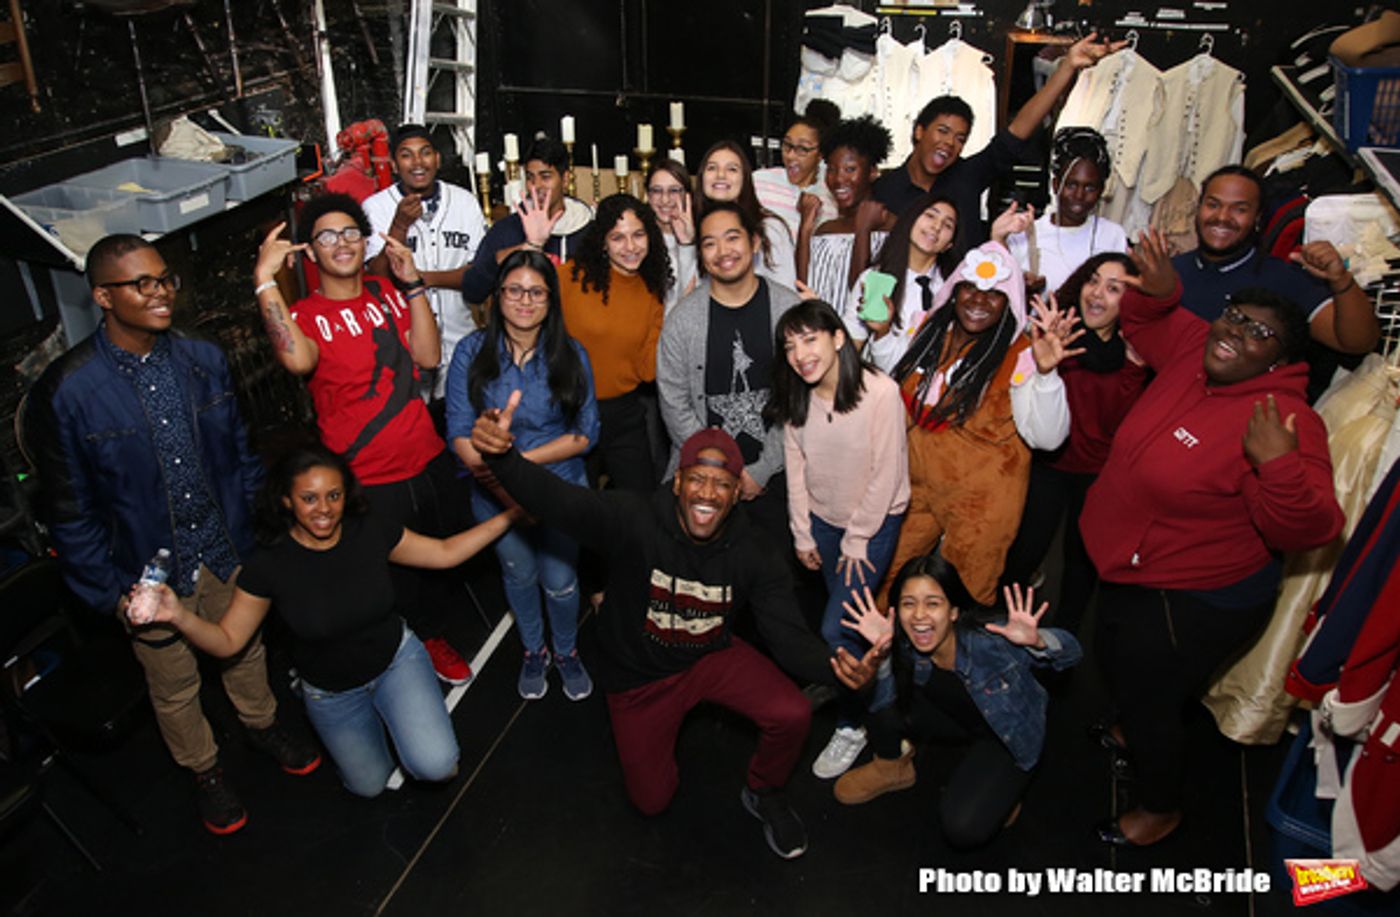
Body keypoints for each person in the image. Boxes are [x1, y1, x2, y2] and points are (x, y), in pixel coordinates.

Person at [469, 414, 887, 860]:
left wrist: (842, 671)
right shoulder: (634, 518)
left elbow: (788, 639)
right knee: (652, 800)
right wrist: (504, 458)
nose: (707, 493)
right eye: (698, 479)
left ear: (736, 493)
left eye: (722, 484)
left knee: (792, 712)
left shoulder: (755, 552)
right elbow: (560, 502)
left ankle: (764, 791)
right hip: (639, 677)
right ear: (678, 483)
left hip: (709, 655)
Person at [27, 234, 320, 835]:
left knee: (245, 649)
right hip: (147, 572)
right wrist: (111, 593)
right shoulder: (69, 390)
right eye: (142, 284)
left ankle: (261, 724)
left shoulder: (202, 357)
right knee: (174, 684)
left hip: (224, 546)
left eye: (165, 279)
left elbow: (241, 453)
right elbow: (71, 511)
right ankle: (204, 770)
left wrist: (255, 532)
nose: (161, 293)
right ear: (103, 297)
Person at [1080, 230, 1345, 846]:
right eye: (1234, 317)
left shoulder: (1285, 420)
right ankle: (1130, 728)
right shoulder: (1199, 345)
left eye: (1259, 333)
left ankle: (1160, 808)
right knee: (1117, 662)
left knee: (1152, 700)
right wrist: (1160, 294)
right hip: (1129, 563)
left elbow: (1314, 527)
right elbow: (1144, 324)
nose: (1235, 332)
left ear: (1281, 357)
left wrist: (1278, 467)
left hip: (1193, 594)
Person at [131, 446, 518, 798]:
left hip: (396, 663)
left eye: (334, 496)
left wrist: (511, 514)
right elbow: (228, 641)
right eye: (309, 498)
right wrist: (178, 616)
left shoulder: (370, 529)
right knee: (369, 785)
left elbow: (445, 552)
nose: (324, 509)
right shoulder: (269, 565)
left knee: (437, 766)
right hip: (332, 694)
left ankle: (410, 724)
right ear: (287, 500)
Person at [253, 194, 475, 686]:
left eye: (350, 232)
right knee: (391, 575)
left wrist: (412, 283)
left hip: (426, 456)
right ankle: (416, 644)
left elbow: (429, 356)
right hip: (367, 476)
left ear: (365, 240)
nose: (341, 243)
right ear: (311, 252)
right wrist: (265, 280)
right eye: (327, 236)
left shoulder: (386, 292)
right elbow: (297, 360)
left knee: (439, 555)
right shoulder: (306, 315)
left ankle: (431, 632)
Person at [835, 558, 1081, 849]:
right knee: (874, 686)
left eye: (933, 603)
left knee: (962, 827)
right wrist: (881, 660)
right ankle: (892, 767)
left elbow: (1072, 653)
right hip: (955, 718)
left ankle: (1004, 794)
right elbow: (883, 705)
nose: (919, 615)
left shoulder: (993, 640)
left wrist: (1038, 641)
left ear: (953, 611)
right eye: (908, 604)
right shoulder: (906, 642)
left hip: (1005, 733)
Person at [883, 241, 1076, 607]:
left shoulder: (1020, 355)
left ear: (1010, 303)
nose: (979, 300)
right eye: (970, 287)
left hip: (981, 503)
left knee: (964, 595)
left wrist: (1046, 374)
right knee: (890, 581)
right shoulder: (927, 332)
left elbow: (1048, 439)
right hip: (915, 487)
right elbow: (894, 387)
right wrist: (880, 336)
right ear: (954, 291)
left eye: (994, 294)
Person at [764, 299, 908, 779]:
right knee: (846, 623)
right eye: (790, 346)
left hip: (873, 524)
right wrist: (802, 531)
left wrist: (857, 538)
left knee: (834, 629)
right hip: (823, 523)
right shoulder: (797, 395)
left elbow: (886, 475)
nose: (800, 355)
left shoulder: (880, 392)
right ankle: (866, 682)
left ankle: (854, 722)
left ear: (839, 337)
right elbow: (796, 466)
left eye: (810, 339)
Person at [447, 250, 600, 700]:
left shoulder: (571, 354)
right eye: (514, 290)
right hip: (492, 494)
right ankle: (535, 651)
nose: (525, 301)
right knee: (518, 575)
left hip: (560, 491)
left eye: (536, 292)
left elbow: (585, 434)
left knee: (561, 581)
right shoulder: (471, 352)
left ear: (551, 301)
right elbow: (459, 433)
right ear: (497, 296)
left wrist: (515, 464)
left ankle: (567, 651)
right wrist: (501, 477)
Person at [1001, 254, 1149, 635]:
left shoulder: (1135, 352)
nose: (1097, 293)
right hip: (1048, 465)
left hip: (1098, 475)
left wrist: (1134, 369)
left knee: (1082, 562)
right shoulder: (1057, 334)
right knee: (1023, 553)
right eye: (1093, 281)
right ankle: (1002, 629)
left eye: (1113, 288)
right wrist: (1041, 357)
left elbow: (1122, 427)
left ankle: (1064, 641)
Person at [866, 33, 1127, 243]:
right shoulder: (883, 189)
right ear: (919, 131)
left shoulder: (967, 176)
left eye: (960, 138)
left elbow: (1017, 132)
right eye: (943, 131)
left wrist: (1067, 67)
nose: (949, 142)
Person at [657, 202, 803, 545]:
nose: (723, 251)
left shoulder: (788, 309)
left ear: (755, 241)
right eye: (710, 243)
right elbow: (674, 401)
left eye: (732, 238)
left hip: (778, 474)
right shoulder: (682, 320)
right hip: (702, 481)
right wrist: (717, 473)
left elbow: (799, 399)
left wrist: (761, 470)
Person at [1172, 165, 1379, 362]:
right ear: (1199, 208)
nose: (1222, 217)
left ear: (1258, 218)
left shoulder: (1284, 279)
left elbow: (1357, 343)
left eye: (1240, 209)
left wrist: (1341, 280)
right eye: (1213, 205)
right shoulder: (1171, 270)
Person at [363, 123, 489, 414]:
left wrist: (421, 279)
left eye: (425, 153)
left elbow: (479, 274)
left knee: (463, 424)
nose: (418, 162)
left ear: (438, 158)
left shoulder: (465, 202)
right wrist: (400, 225)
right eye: (406, 155)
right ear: (394, 164)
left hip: (460, 342)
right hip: (403, 348)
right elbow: (375, 279)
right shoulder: (375, 208)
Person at [560, 194, 669, 492]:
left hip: (625, 416)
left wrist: (672, 319)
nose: (630, 247)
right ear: (603, 242)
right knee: (575, 510)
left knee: (641, 507)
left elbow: (647, 371)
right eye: (618, 237)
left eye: (638, 235)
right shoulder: (569, 278)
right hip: (571, 413)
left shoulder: (651, 290)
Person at [461, 137, 594, 304]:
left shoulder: (589, 230)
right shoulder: (507, 229)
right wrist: (523, 249)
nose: (536, 186)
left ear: (565, 179)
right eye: (530, 178)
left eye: (545, 177)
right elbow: (472, 292)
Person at [845, 192, 961, 373]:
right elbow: (851, 346)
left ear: (949, 244)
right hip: (881, 383)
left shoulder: (954, 290)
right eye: (930, 216)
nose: (936, 226)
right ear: (910, 221)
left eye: (947, 225)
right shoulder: (875, 279)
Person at [1005, 127, 1128, 295]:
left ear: (1101, 190)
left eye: (1089, 188)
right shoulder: (1024, 236)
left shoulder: (1112, 235)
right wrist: (1026, 290)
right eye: (1071, 185)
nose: (1079, 195)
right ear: (1056, 185)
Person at [795, 115, 894, 315]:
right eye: (832, 169)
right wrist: (805, 229)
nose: (839, 179)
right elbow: (804, 287)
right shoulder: (826, 228)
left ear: (872, 172)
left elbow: (864, 297)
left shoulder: (892, 226)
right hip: (820, 330)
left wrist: (863, 229)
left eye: (850, 169)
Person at [696, 140, 797, 289]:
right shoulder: (693, 228)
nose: (721, 175)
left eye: (732, 169)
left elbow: (785, 290)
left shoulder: (770, 228)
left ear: (745, 178)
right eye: (712, 168)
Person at [753, 100, 841, 242]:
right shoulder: (760, 181)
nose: (790, 155)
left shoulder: (829, 202)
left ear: (820, 154)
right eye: (787, 145)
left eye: (802, 149)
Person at [645, 160, 700, 314]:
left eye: (674, 190)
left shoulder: (705, 237)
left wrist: (687, 244)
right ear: (648, 196)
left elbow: (693, 298)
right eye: (657, 191)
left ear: (687, 195)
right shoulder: (639, 242)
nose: (665, 199)